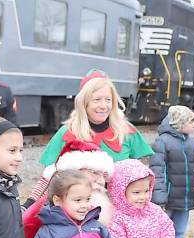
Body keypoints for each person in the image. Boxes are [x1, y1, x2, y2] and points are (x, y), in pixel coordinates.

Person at [22, 69, 153, 209]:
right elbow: (50, 178)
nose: (103, 106)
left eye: (108, 100)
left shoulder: (127, 132)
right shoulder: (67, 132)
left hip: (119, 212)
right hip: (76, 211)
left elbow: (141, 176)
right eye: (97, 100)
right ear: (84, 103)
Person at [150, 105, 194, 238]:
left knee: (179, 235)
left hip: (184, 199)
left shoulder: (191, 143)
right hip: (168, 199)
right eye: (191, 121)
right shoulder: (162, 142)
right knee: (161, 235)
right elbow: (158, 171)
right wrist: (159, 198)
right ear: (180, 122)